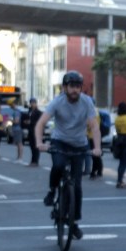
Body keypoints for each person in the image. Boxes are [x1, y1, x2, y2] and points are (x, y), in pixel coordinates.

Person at [34, 70, 101, 241]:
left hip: (79, 144)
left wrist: (97, 148)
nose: (74, 90)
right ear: (64, 88)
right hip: (60, 142)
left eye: (78, 86)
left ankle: (74, 221)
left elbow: (94, 127)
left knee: (77, 186)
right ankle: (51, 191)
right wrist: (39, 142)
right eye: (71, 86)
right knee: (57, 166)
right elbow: (41, 123)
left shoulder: (87, 102)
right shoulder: (57, 102)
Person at [89, 105, 103, 180]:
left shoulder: (91, 113)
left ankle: (94, 171)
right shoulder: (96, 111)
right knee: (96, 155)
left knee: (94, 155)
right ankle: (99, 170)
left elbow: (89, 125)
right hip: (96, 136)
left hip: (92, 137)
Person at [27, 98, 42, 166]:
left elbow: (40, 122)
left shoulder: (39, 112)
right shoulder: (29, 111)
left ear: (36, 103)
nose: (32, 104)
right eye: (31, 103)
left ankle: (36, 161)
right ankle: (32, 161)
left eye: (33, 103)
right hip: (30, 130)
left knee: (36, 146)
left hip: (36, 131)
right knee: (32, 146)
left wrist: (31, 122)